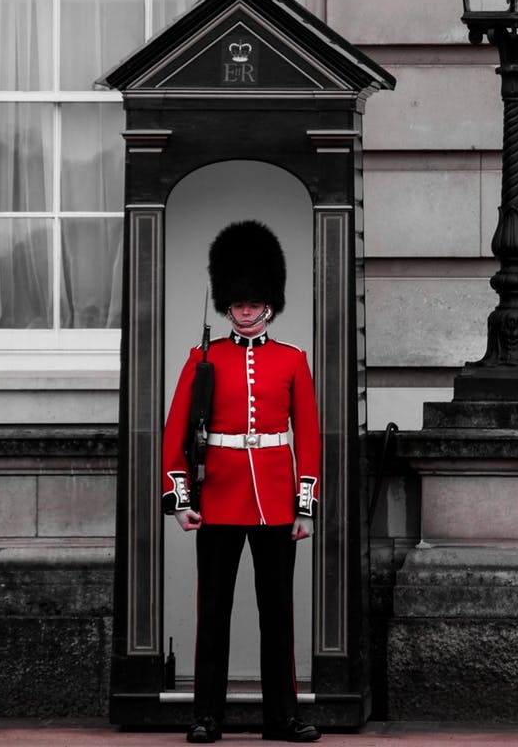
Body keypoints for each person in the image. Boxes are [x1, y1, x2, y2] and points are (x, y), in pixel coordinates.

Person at [162, 220, 322, 744]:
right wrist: (182, 498)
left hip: (276, 501)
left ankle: (282, 717)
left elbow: (310, 440)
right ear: (226, 303)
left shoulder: (292, 360)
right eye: (238, 302)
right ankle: (207, 715)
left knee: (278, 615)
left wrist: (304, 507)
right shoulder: (202, 359)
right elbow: (175, 434)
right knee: (214, 613)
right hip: (219, 500)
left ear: (269, 303)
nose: (246, 310)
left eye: (254, 301)